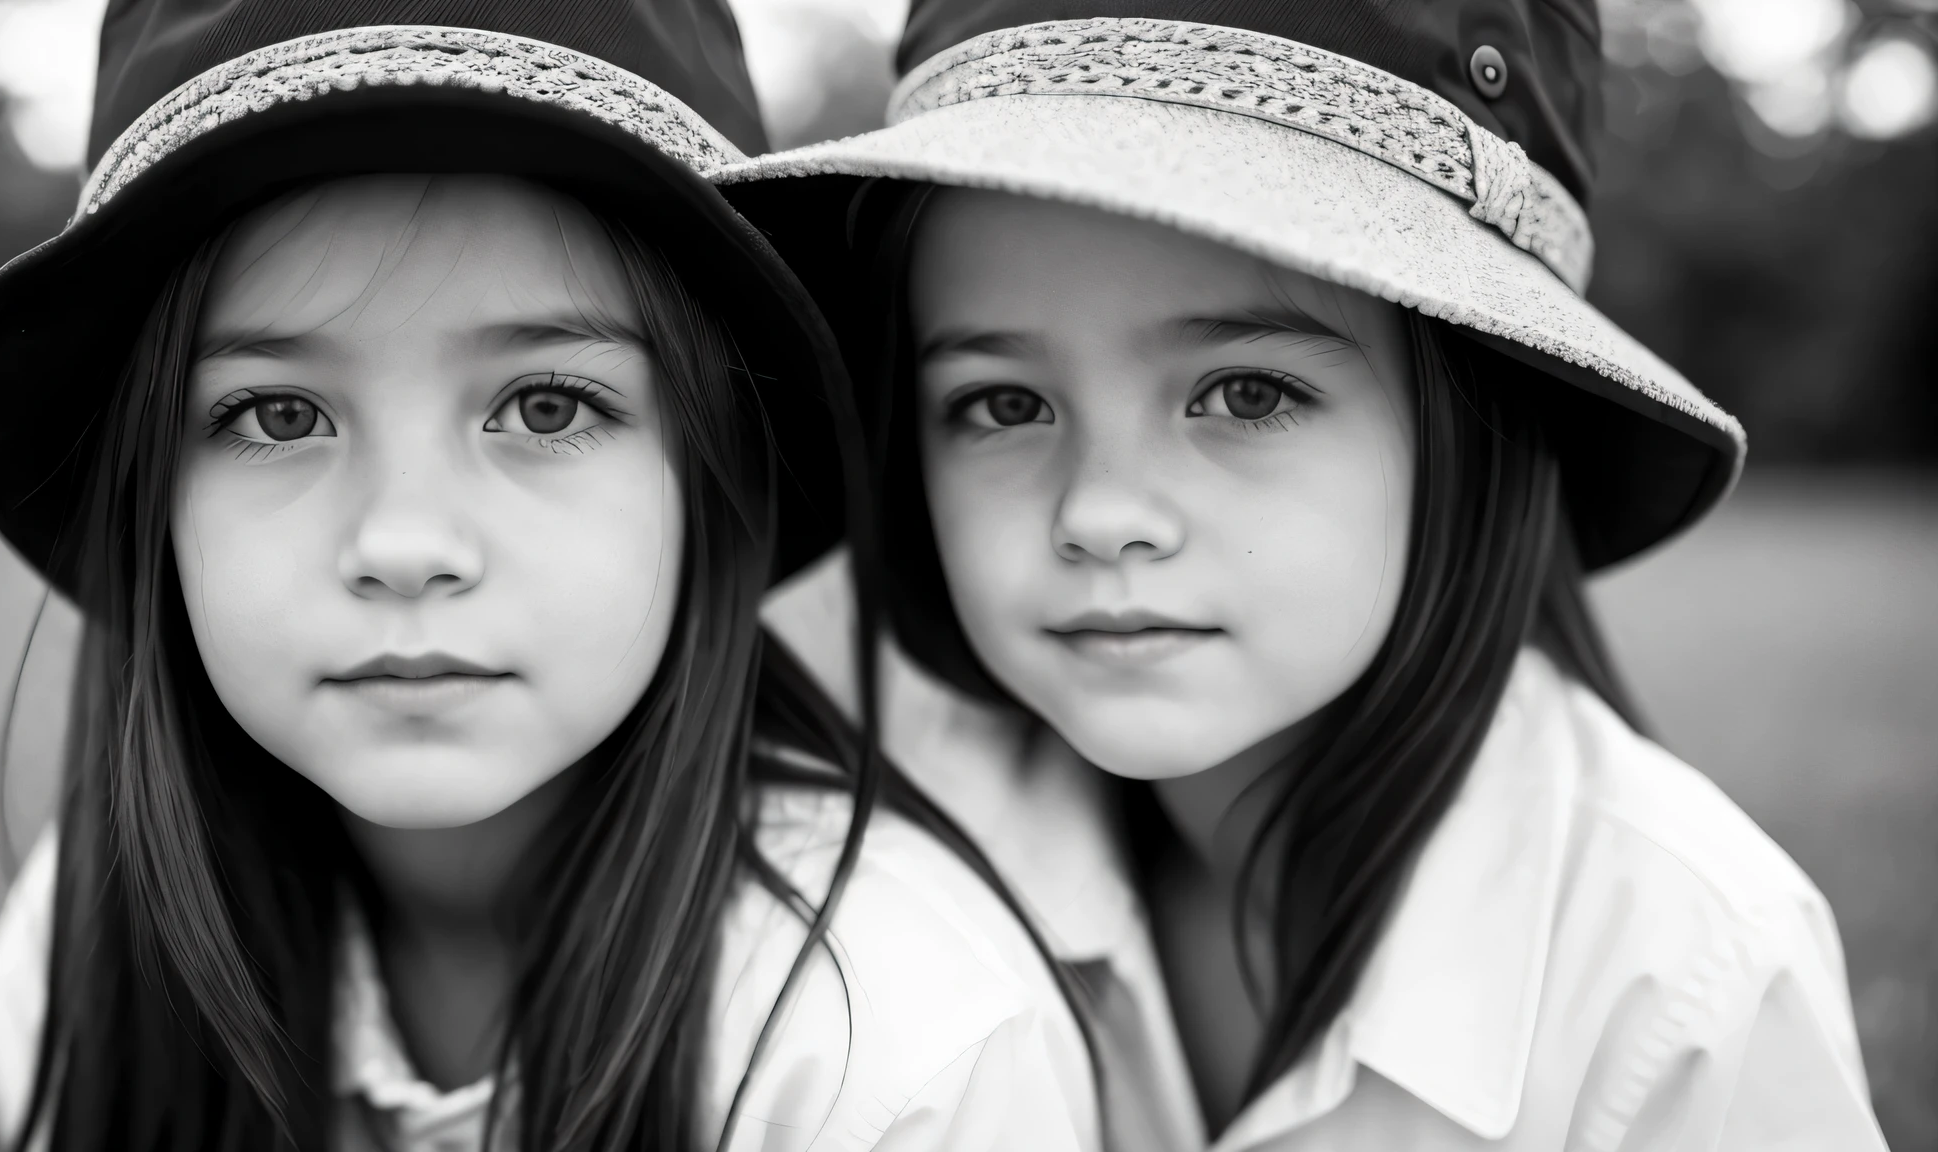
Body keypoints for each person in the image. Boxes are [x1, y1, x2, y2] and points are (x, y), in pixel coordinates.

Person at [722, 1, 1892, 1148]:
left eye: (1244, 394)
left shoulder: (1681, 978)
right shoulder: (852, 876)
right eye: (1003, 404)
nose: (1099, 515)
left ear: (1470, 420)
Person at [0, 3, 1099, 1150]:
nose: (405, 542)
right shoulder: (84, 953)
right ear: (149, 494)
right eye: (277, 413)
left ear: (712, 468)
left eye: (544, 406)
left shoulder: (888, 1050)